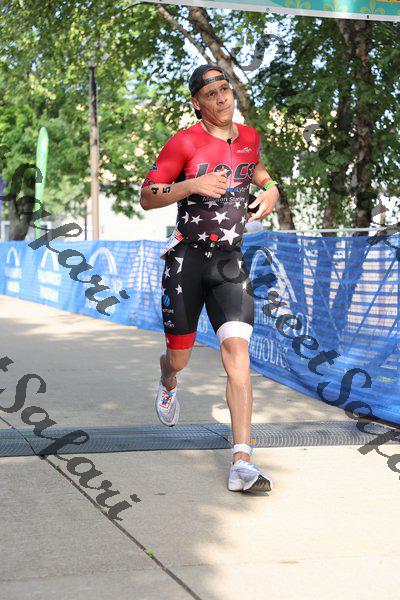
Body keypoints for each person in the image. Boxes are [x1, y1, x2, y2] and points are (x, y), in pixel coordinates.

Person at [140, 64, 280, 493]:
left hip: (229, 264)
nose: (222, 98)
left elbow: (256, 169)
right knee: (179, 358)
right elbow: (147, 195)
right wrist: (192, 184)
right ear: (197, 103)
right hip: (186, 262)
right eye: (211, 94)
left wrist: (272, 188)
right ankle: (168, 379)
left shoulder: (249, 136)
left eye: (225, 89)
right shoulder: (183, 142)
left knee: (238, 354)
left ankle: (242, 460)